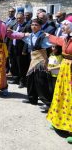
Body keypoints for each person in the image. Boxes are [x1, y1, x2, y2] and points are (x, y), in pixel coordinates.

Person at [46, 15, 72, 143]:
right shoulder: (67, 38)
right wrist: (48, 36)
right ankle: (58, 122)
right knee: (60, 95)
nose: (63, 27)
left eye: (66, 25)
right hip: (64, 70)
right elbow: (58, 41)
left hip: (71, 70)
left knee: (70, 98)